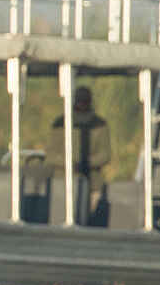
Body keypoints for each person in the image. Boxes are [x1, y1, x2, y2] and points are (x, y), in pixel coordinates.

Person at [45, 86, 111, 225]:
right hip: (62, 184)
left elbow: (105, 155)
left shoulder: (99, 124)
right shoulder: (60, 124)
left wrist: (86, 162)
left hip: (92, 184)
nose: (82, 104)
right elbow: (50, 154)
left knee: (91, 221)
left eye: (85, 100)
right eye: (79, 100)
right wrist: (69, 163)